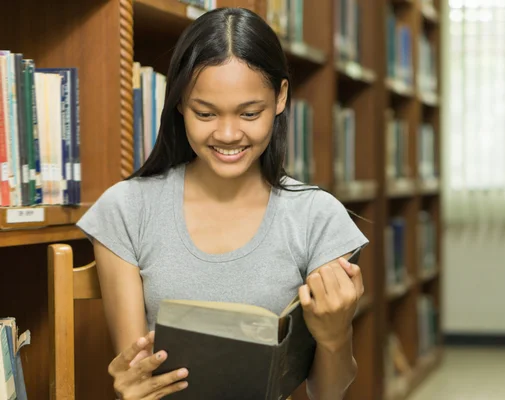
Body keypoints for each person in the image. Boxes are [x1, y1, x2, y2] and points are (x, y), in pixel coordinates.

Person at [76, 6, 369, 400]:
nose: (228, 134)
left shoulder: (318, 218)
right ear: (179, 102)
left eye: (250, 113)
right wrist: (131, 385)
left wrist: (336, 336)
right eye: (205, 113)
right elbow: (140, 376)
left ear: (281, 97)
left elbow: (327, 393)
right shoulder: (128, 210)